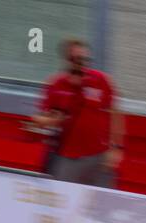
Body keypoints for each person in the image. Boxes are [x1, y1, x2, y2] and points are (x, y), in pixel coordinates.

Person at [31, 38, 123, 187]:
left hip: (99, 156)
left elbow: (115, 114)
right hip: (67, 157)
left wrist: (116, 148)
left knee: (101, 202)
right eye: (78, 59)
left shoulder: (101, 80)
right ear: (67, 60)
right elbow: (43, 117)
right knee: (64, 198)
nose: (83, 63)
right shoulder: (56, 84)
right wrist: (45, 121)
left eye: (86, 59)